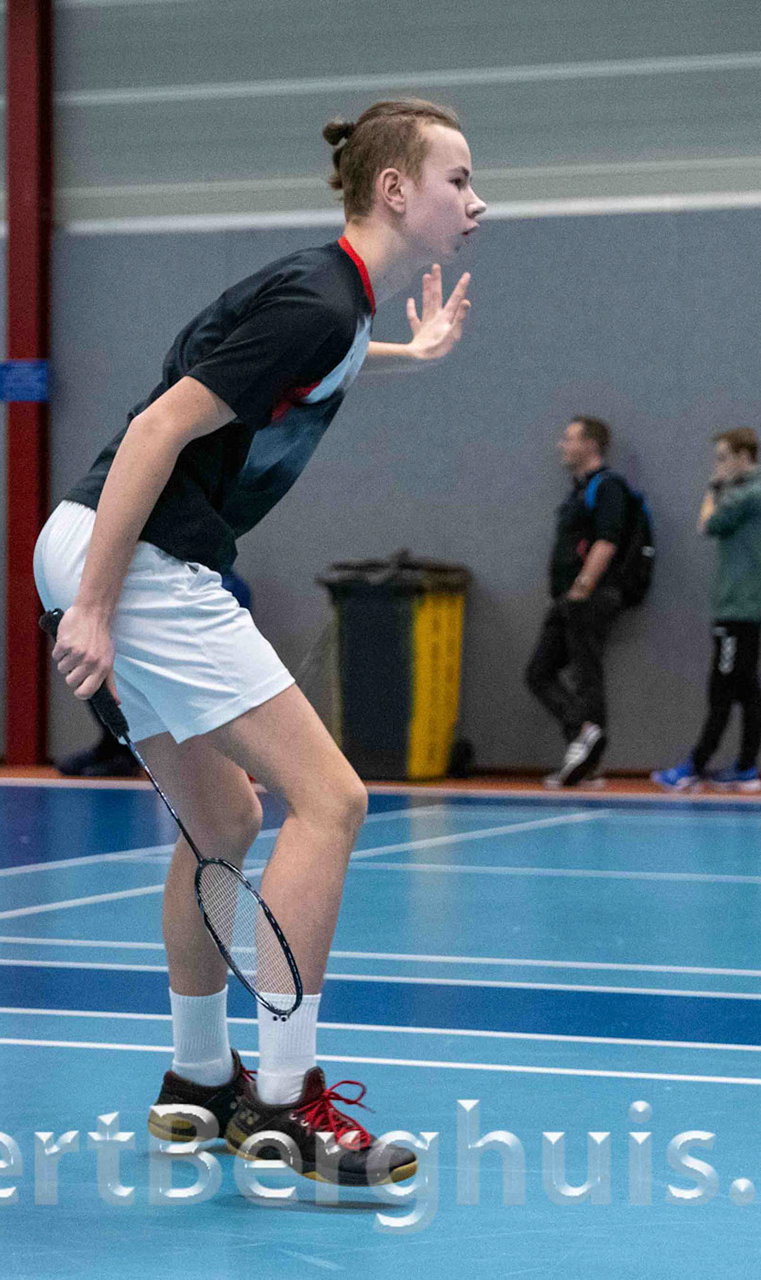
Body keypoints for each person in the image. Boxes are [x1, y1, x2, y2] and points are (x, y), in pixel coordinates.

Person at [35, 98, 482, 1186]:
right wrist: (95, 604)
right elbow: (155, 430)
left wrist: (412, 351)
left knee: (224, 818)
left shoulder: (330, 303)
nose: (477, 202)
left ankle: (197, 1079)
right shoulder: (321, 300)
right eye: (459, 179)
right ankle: (286, 1102)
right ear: (395, 190)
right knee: (332, 800)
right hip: (135, 555)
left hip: (98, 541)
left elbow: (313, 362)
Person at [655, 428, 761, 793]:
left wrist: (714, 488)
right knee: (747, 687)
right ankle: (745, 767)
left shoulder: (748, 495)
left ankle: (694, 767)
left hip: (736, 607)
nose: (717, 466)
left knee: (722, 689)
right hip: (749, 606)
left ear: (744, 457)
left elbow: (706, 525)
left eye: (722, 458)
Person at [55, 570, 252, 778]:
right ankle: (116, 745)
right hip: (141, 589)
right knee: (93, 656)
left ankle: (144, 753)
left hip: (187, 596)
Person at [525, 415, 635, 788]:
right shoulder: (579, 490)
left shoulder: (608, 487)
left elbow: (607, 539)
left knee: (587, 674)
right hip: (566, 599)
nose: (562, 445)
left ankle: (589, 757)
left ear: (591, 444)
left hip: (589, 597)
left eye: (569, 438)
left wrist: (584, 586)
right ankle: (584, 736)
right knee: (539, 672)